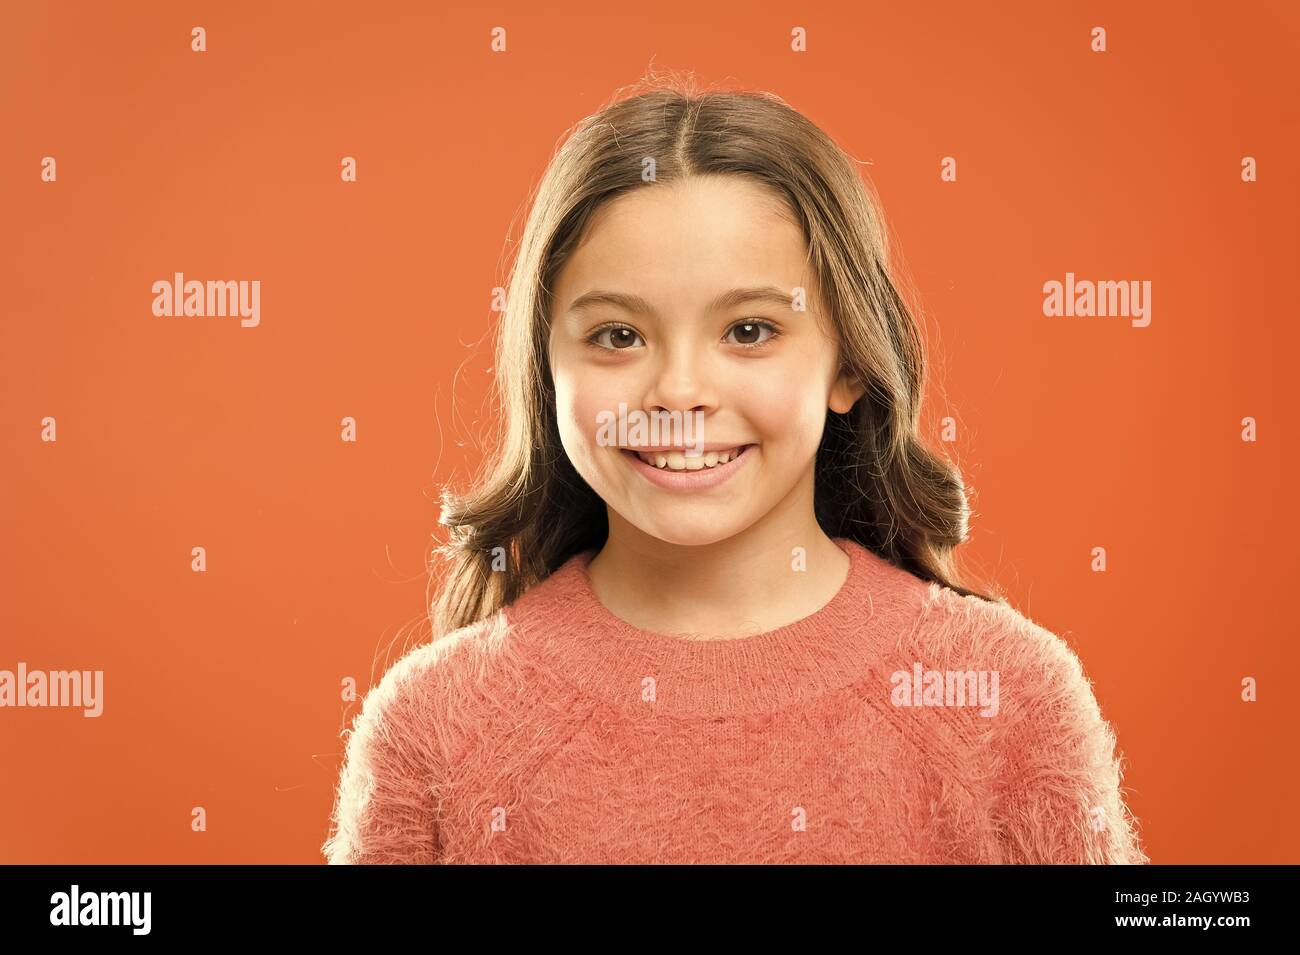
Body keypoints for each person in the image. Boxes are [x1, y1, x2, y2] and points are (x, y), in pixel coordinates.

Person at [322, 73, 1148, 865]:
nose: (680, 391)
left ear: (848, 364)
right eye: (617, 335)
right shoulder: (433, 726)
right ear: (546, 369)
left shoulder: (1005, 696)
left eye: (750, 331)